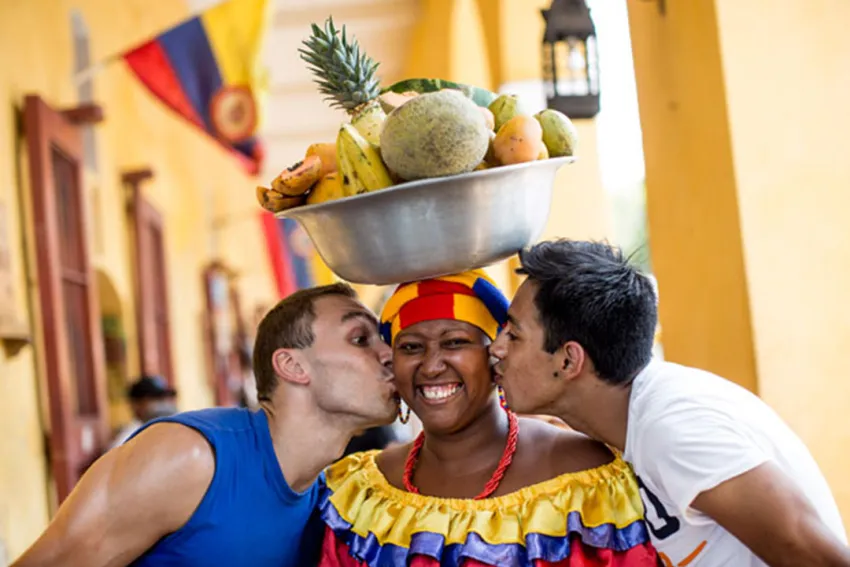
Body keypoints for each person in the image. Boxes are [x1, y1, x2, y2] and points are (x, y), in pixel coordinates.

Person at [490, 239, 850, 567]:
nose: (497, 348)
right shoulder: (626, 424)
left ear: (569, 361)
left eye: (514, 334)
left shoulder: (674, 427)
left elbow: (812, 552)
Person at [12, 283, 398, 567]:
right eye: (360, 338)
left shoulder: (325, 501)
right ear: (293, 366)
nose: (388, 354)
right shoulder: (192, 458)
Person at [318, 270, 657, 566]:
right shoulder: (363, 493)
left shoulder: (583, 479)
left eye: (455, 342)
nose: (432, 365)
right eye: (410, 347)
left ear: (495, 355)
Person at [109, 375, 178, 450]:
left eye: (162, 399)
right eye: (155, 400)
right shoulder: (128, 437)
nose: (163, 405)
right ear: (135, 404)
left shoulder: (175, 427)